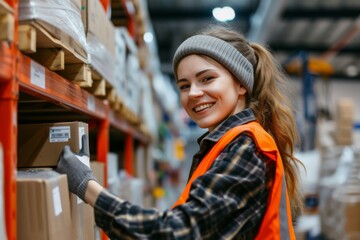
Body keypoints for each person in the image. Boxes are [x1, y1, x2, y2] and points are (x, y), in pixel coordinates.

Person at [56, 25, 303, 239]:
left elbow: (177, 233)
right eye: (184, 85)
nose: (193, 93)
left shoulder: (247, 147)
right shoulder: (224, 145)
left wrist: (87, 187)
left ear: (240, 84)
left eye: (207, 79)